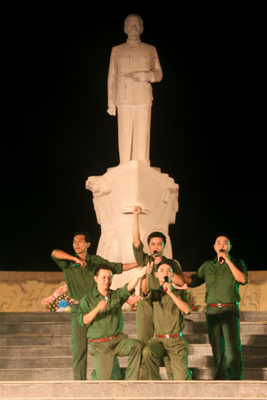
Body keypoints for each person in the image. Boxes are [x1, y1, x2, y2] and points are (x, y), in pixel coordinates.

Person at [51, 231, 137, 380]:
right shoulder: (68, 262)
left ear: (88, 244)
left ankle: (99, 376)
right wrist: (74, 259)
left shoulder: (97, 261)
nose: (76, 244)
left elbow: (117, 267)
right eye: (74, 241)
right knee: (79, 349)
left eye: (79, 241)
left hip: (99, 307)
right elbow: (54, 253)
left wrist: (139, 264)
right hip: (80, 309)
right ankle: (80, 384)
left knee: (106, 342)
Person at [182, 233, 248, 380]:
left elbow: (242, 279)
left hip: (229, 309)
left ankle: (235, 379)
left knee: (232, 347)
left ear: (230, 247)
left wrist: (228, 261)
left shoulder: (237, 262)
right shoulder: (208, 265)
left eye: (225, 243)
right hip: (212, 311)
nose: (222, 245)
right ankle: (220, 378)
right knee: (217, 346)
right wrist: (177, 272)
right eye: (219, 243)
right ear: (214, 247)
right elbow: (194, 281)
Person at [132, 206, 185, 379]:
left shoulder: (171, 264)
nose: (156, 246)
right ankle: (145, 378)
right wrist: (136, 216)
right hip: (147, 305)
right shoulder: (145, 259)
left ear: (163, 246)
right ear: (149, 246)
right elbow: (135, 239)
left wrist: (163, 267)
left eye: (159, 244)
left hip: (165, 306)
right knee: (143, 343)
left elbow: (181, 281)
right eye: (153, 244)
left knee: (164, 342)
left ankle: (175, 371)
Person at [107, 14, 163, 165]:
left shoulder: (150, 50)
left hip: (143, 96)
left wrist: (149, 75)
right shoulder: (117, 50)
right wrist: (111, 103)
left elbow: (159, 73)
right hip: (124, 97)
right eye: (130, 25)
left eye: (136, 25)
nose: (133, 28)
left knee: (142, 131)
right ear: (125, 29)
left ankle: (143, 162)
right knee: (125, 131)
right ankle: (124, 163)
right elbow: (112, 77)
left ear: (141, 28)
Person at [77, 264, 147, 380]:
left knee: (137, 346)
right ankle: (98, 375)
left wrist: (137, 277)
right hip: (100, 346)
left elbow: (127, 288)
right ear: (96, 279)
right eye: (103, 277)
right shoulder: (88, 299)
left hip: (118, 341)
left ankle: (130, 383)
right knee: (106, 383)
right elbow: (83, 321)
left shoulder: (115, 295)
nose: (106, 280)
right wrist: (97, 309)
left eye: (109, 278)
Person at [141, 261, 191, 380]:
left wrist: (171, 293)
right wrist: (145, 276)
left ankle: (185, 376)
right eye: (162, 270)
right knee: (147, 351)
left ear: (172, 275)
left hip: (175, 342)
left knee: (181, 380)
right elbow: (144, 291)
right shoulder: (155, 293)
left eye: (169, 271)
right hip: (159, 340)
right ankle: (155, 382)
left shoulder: (179, 291)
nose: (165, 273)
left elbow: (186, 310)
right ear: (157, 275)